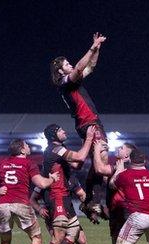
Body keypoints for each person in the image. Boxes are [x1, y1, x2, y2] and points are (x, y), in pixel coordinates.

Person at [50, 32, 108, 223]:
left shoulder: (73, 81)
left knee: (99, 162)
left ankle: (90, 201)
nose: (71, 65)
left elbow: (90, 66)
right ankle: (93, 200)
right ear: (60, 71)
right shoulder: (64, 83)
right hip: (87, 123)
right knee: (103, 159)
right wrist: (91, 48)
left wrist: (97, 49)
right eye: (67, 64)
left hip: (93, 121)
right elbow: (81, 66)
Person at [0, 139, 59, 244]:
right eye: (26, 145)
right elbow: (41, 183)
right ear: (22, 149)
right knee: (36, 237)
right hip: (20, 204)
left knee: (4, 242)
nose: (29, 146)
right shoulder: (28, 163)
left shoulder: (2, 163)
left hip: (2, 205)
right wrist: (52, 179)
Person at [42, 124, 94, 244]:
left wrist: (85, 144)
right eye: (60, 130)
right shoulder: (55, 149)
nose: (64, 131)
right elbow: (80, 157)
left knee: (79, 238)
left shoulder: (59, 151)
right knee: (58, 237)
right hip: (57, 196)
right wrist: (89, 138)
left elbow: (77, 164)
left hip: (65, 198)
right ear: (53, 135)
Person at [92, 141, 136, 244]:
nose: (118, 148)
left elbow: (99, 170)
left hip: (123, 213)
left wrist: (96, 149)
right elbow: (105, 177)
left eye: (121, 148)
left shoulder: (124, 168)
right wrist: (103, 153)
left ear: (127, 156)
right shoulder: (118, 167)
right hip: (116, 212)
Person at [30, 176, 87, 244]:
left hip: (70, 216)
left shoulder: (70, 178)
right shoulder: (46, 180)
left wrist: (87, 204)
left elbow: (82, 194)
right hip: (52, 217)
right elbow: (32, 199)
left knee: (82, 242)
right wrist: (39, 209)